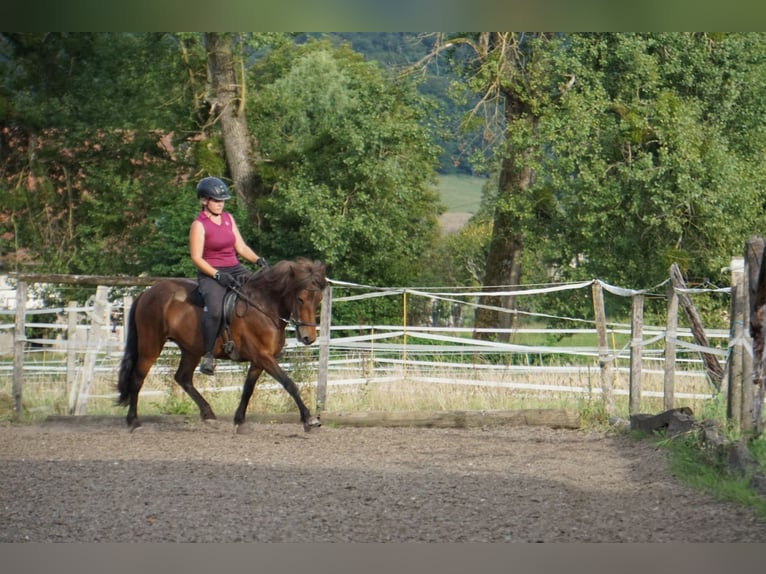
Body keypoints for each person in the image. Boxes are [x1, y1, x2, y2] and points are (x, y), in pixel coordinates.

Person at [189, 176, 267, 375]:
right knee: (215, 310)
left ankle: (261, 342)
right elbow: (196, 258)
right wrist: (216, 275)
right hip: (210, 272)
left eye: (222, 201)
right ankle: (207, 355)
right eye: (216, 200)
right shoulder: (199, 225)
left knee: (260, 294)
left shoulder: (228, 218)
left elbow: (240, 246)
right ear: (204, 201)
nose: (220, 204)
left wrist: (257, 260)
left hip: (235, 268)